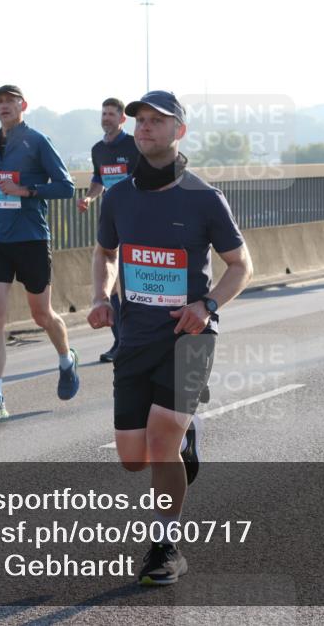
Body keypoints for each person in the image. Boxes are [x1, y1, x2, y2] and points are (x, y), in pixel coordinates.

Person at [87, 90, 252, 585]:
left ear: (179, 131)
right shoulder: (118, 197)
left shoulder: (204, 197)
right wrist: (100, 295)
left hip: (189, 336)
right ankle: (185, 438)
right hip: (135, 337)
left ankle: (165, 546)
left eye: (157, 121)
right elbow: (105, 252)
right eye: (140, 119)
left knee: (161, 442)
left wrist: (208, 305)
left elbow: (241, 265)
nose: (144, 127)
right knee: (133, 459)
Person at [0, 85, 78, 421]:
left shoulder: (37, 141)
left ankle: (66, 358)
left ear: (23, 105)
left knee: (41, 315)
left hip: (31, 238)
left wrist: (27, 190)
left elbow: (66, 186)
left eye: (9, 101)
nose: (3, 107)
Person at [78, 97, 140, 363]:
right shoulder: (97, 150)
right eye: (103, 114)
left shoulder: (134, 145)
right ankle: (120, 343)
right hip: (110, 220)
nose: (106, 118)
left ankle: (132, 342)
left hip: (135, 219)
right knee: (112, 286)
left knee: (128, 284)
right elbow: (98, 180)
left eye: (111, 114)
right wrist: (90, 198)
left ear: (122, 119)